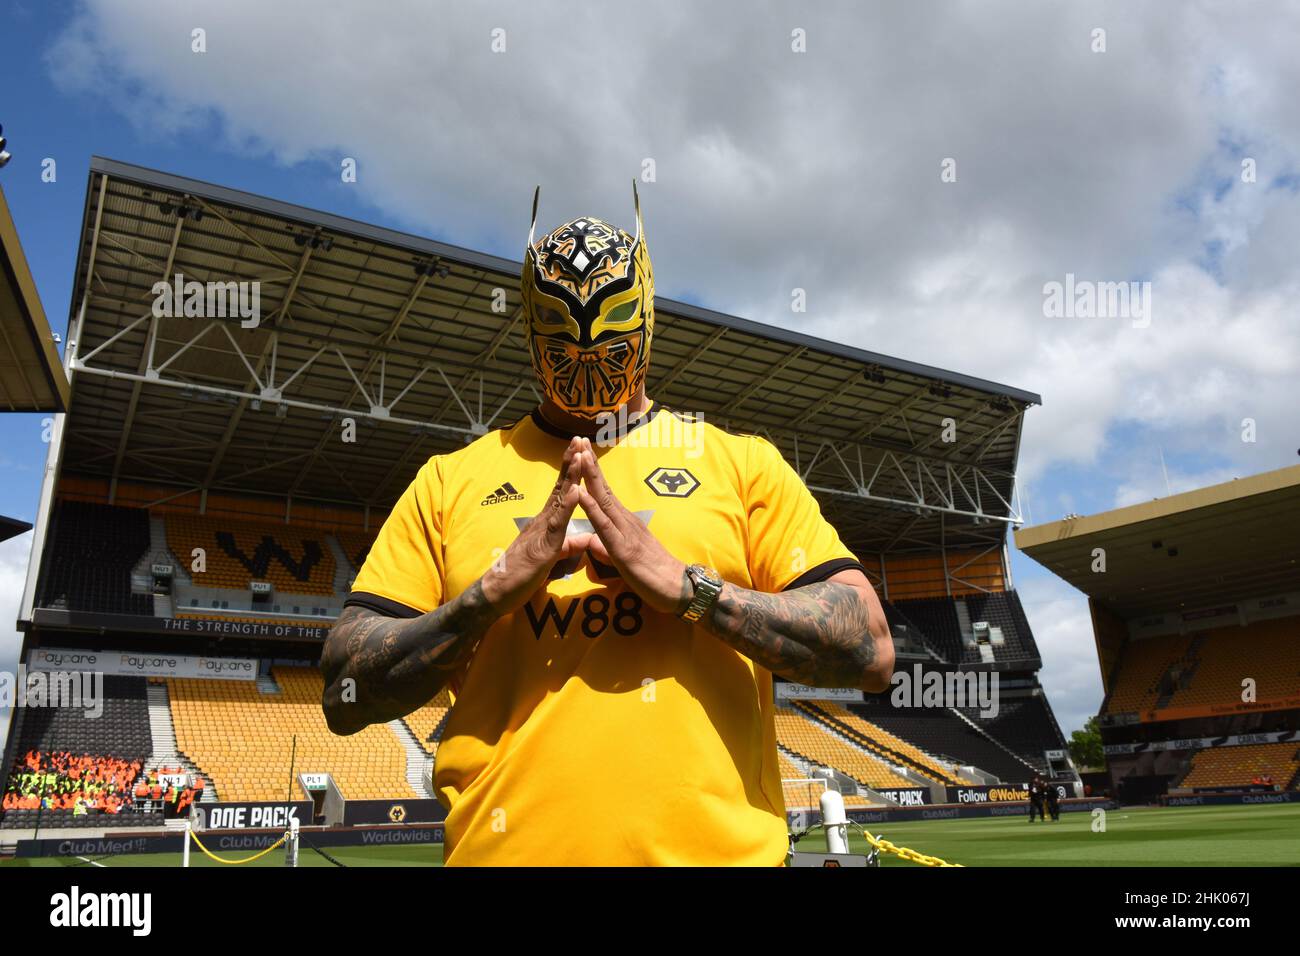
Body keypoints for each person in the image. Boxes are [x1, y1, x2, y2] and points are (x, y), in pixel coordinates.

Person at [321, 184, 895, 866]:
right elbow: (343, 691)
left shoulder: (739, 463)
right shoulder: (450, 480)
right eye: (562, 328)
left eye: (613, 318)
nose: (588, 349)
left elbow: (870, 650)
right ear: (531, 326)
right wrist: (489, 595)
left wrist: (689, 590)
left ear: (645, 309)